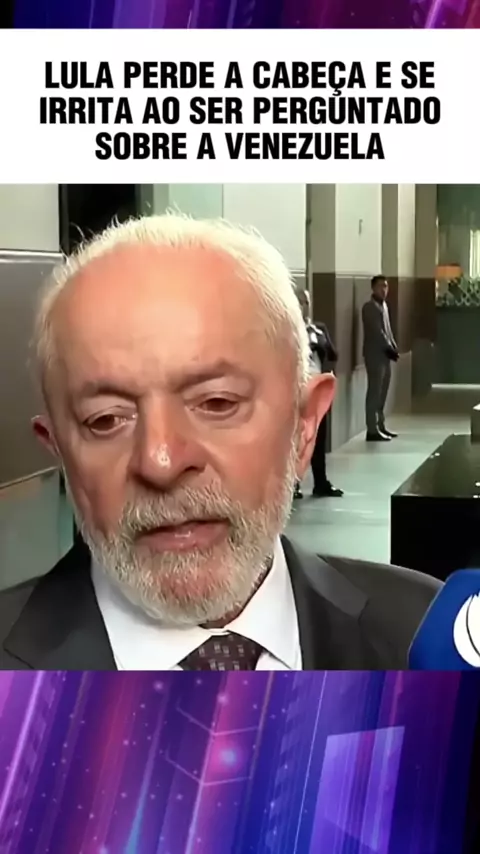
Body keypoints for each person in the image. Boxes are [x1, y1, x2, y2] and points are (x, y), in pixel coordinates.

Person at [0, 215, 440, 671]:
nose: (161, 462)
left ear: (305, 425)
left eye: (216, 403)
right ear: (58, 449)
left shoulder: (431, 636)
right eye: (106, 419)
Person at [294, 288, 343, 499]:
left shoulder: (318, 328)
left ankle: (320, 482)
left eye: (307, 302)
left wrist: (319, 342)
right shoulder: (289, 329)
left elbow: (333, 353)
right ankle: (294, 483)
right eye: (301, 302)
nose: (305, 306)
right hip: (299, 389)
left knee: (319, 437)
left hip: (318, 387)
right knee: (298, 438)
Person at [361, 275, 399, 442]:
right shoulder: (369, 308)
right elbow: (377, 332)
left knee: (383, 392)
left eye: (386, 286)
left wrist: (394, 345)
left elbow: (388, 330)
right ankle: (372, 429)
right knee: (374, 392)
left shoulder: (384, 306)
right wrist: (388, 347)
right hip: (375, 355)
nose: (384, 290)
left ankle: (380, 424)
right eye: (380, 286)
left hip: (385, 355)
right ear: (373, 288)